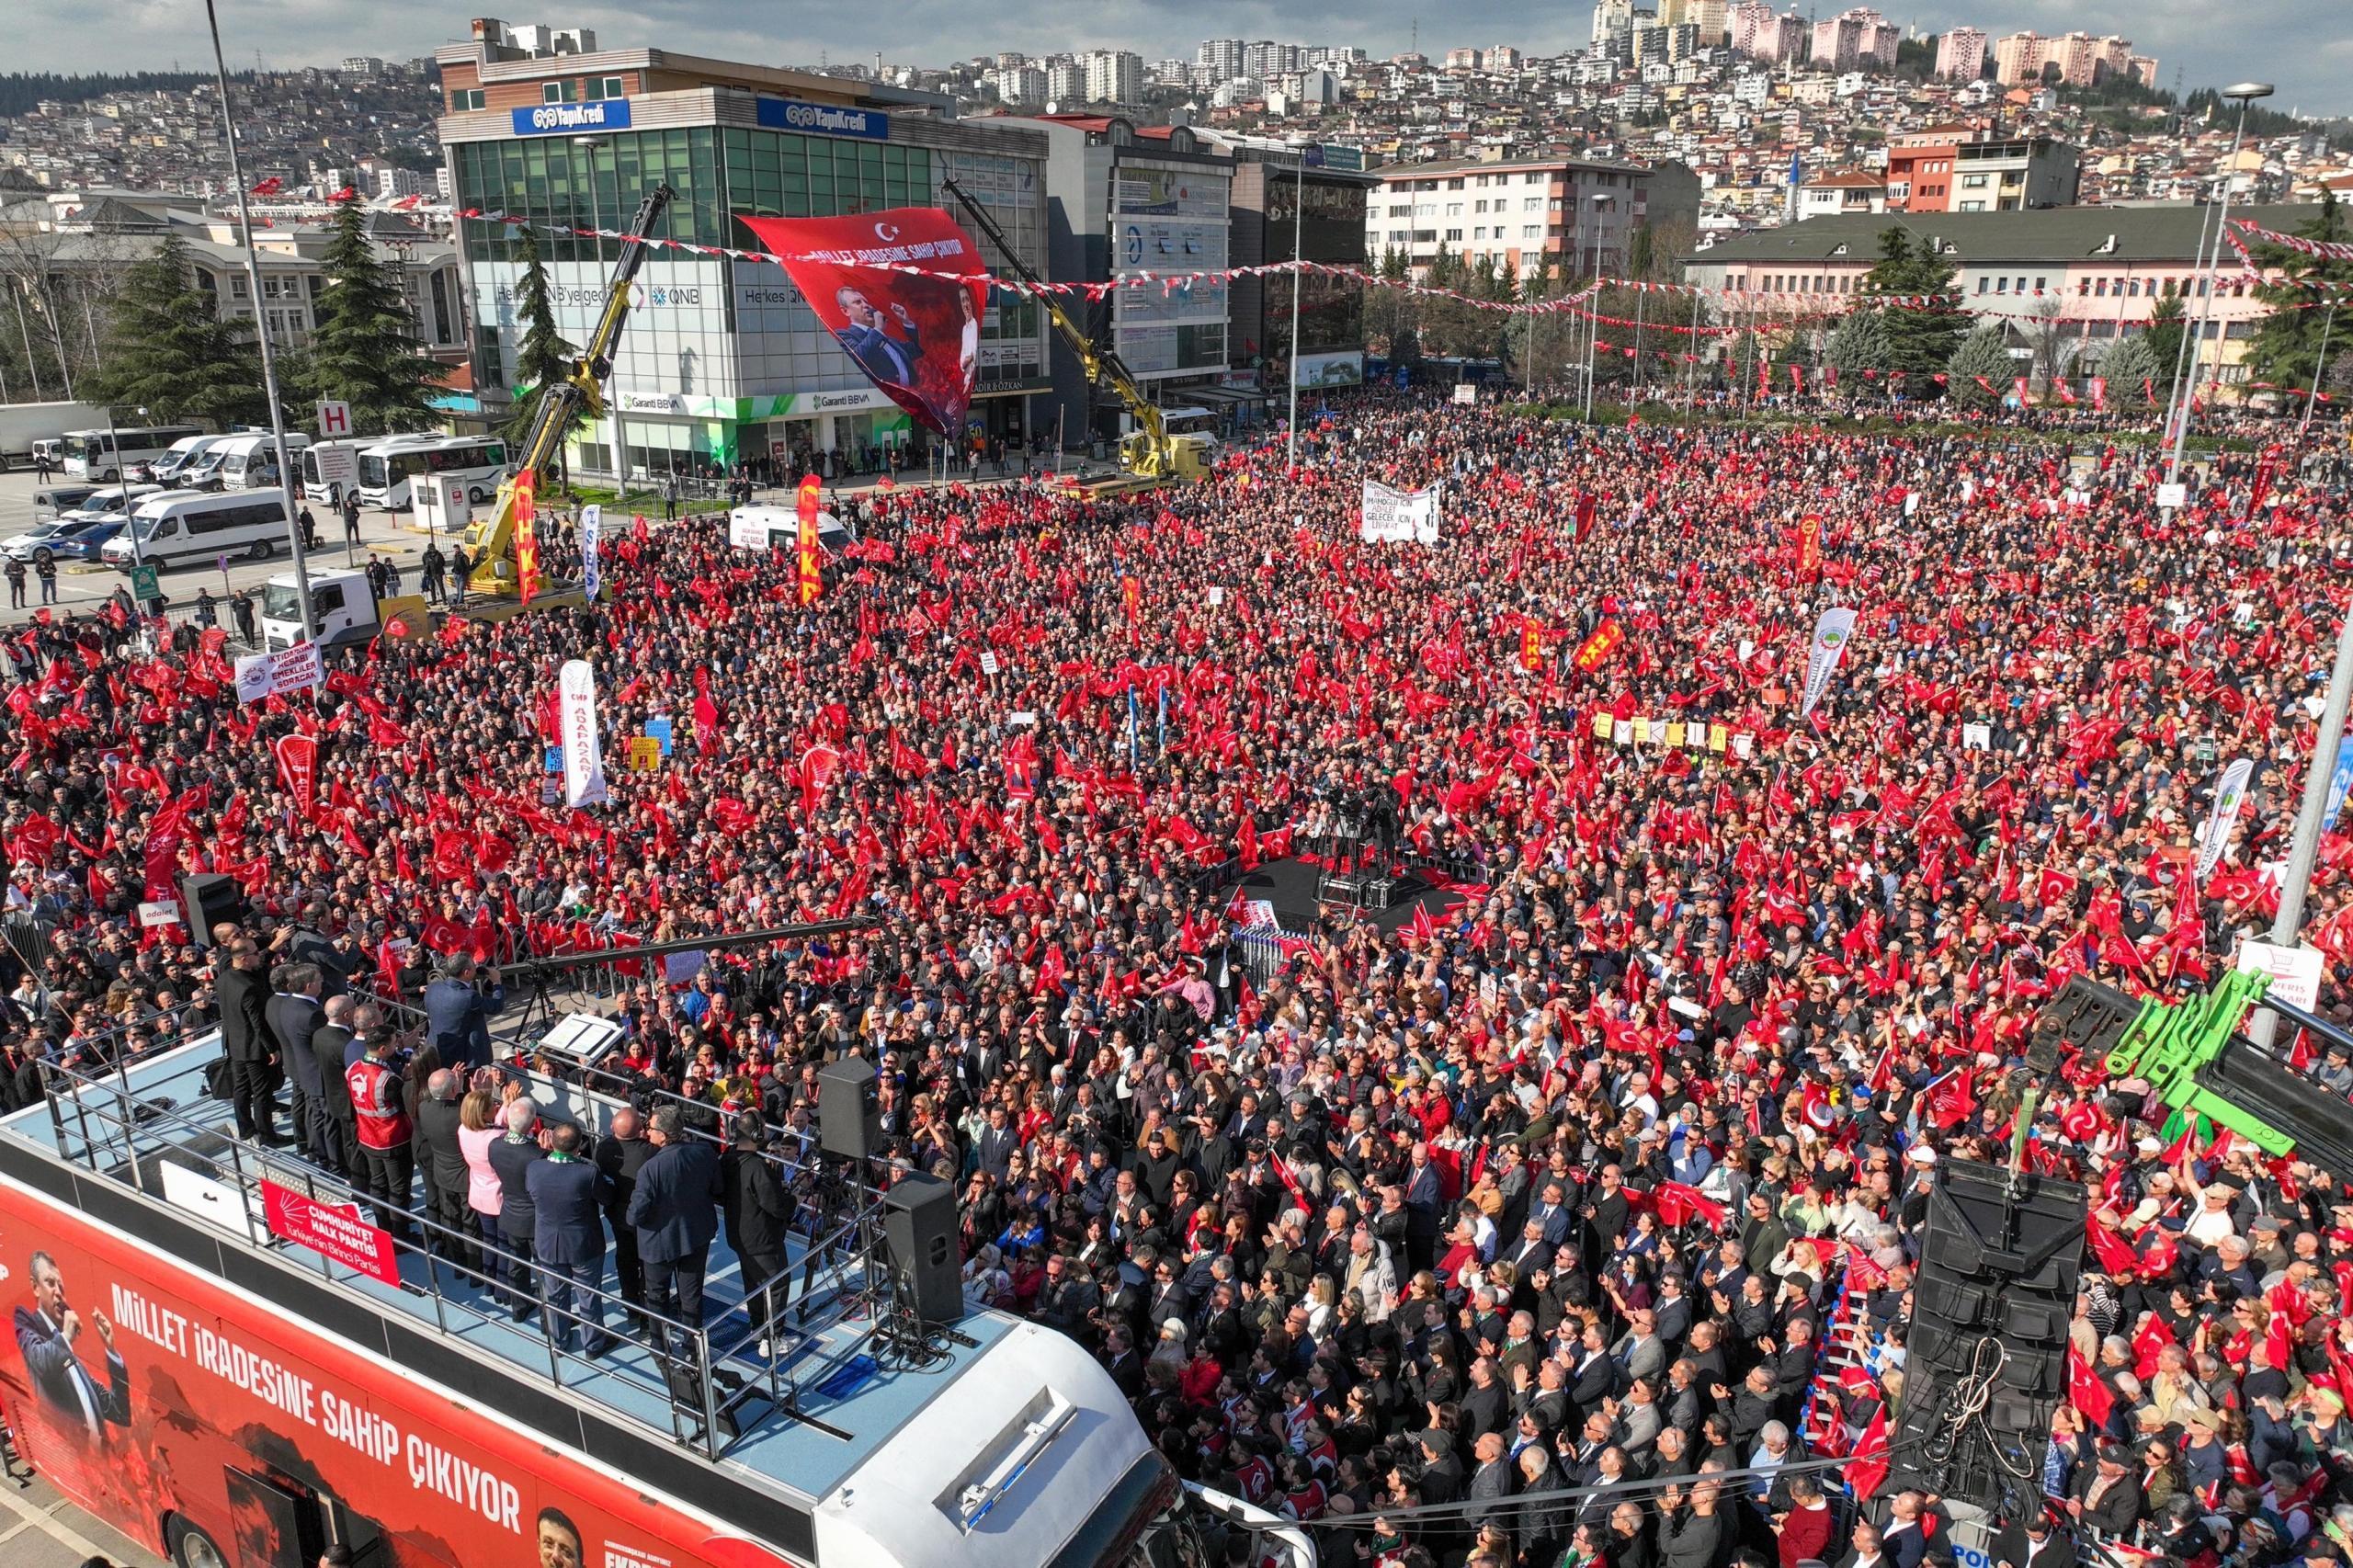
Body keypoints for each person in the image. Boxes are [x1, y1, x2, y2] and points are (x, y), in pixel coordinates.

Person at [627, 1104, 722, 1355]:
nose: (647, 1131)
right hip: (696, 1235)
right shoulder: (704, 1151)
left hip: (659, 1244)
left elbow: (635, 1214)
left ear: (664, 1135)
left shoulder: (650, 1169)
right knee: (692, 1295)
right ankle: (692, 1347)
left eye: (651, 1128)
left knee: (656, 1297)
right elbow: (717, 1187)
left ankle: (659, 1345)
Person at [13, 1250, 129, 1441]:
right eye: (50, 1283)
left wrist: (111, 1350)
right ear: (35, 1287)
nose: (58, 1291)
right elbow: (41, 1363)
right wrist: (66, 1337)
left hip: (99, 1463)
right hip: (70, 1456)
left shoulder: (73, 1363)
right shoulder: (27, 1323)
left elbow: (119, 1412)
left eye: (61, 1286)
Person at [528, 1121, 612, 1357]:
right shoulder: (587, 1173)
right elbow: (607, 1197)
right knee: (589, 1296)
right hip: (584, 1246)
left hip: (548, 1245)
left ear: (551, 1143)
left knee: (555, 1295)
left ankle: (559, 1343)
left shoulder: (534, 1168)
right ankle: (593, 1345)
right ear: (580, 1147)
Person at [721, 1110, 795, 1350]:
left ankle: (756, 1327)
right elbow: (777, 1207)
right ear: (756, 1133)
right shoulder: (757, 1168)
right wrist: (793, 1199)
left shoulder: (728, 1159)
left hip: (738, 1235)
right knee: (777, 1284)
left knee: (753, 1282)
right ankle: (772, 1339)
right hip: (762, 1238)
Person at [347, 1025, 415, 1238]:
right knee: (399, 1189)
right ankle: (401, 1238)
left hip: (367, 1139)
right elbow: (406, 1106)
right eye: (395, 1043)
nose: (397, 1045)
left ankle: (384, 1229)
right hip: (393, 1140)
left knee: (378, 1185)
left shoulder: (353, 1069)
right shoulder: (388, 1080)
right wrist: (409, 1079)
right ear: (383, 1049)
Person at [488, 1097, 547, 1320]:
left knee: (516, 1264)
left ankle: (518, 1309)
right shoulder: (537, 1155)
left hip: (510, 1215)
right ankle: (547, 1317)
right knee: (544, 1269)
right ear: (532, 1124)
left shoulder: (494, 1146)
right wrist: (546, 1152)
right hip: (535, 1221)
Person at [596, 1105, 654, 1327]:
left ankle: (632, 1308)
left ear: (612, 1127)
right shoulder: (649, 1152)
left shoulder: (603, 1148)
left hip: (617, 1217)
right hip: (644, 1220)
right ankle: (647, 1315)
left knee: (625, 1260)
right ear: (641, 1129)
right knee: (646, 1265)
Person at [217, 940, 280, 1142]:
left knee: (241, 1088)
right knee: (262, 1091)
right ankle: (267, 1134)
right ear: (244, 959)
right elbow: (258, 1023)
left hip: (234, 1043)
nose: (259, 956)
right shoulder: (249, 987)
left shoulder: (224, 978)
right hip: (253, 1047)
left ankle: (245, 1128)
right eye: (255, 953)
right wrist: (272, 1048)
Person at [415, 1068, 477, 1269]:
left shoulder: (424, 1107)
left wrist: (456, 1089)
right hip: (464, 1178)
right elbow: (473, 1121)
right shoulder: (459, 1115)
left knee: (451, 1220)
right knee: (470, 1225)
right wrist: (472, 1093)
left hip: (442, 1174)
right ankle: (474, 1268)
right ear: (453, 1089)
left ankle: (457, 1263)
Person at [423, 954, 501, 1072]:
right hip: (462, 1059)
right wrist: (497, 983)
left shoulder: (432, 988)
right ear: (466, 973)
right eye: (474, 966)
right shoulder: (468, 997)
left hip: (435, 1050)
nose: (476, 968)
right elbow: (496, 1007)